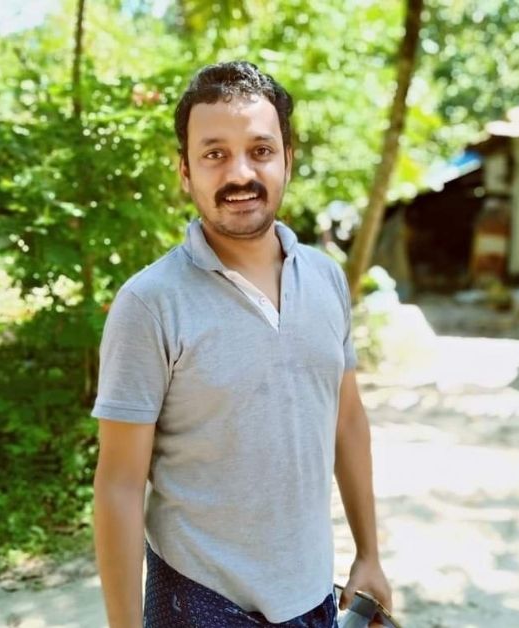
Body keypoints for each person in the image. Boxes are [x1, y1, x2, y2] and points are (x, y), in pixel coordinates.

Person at [91, 61, 391, 627]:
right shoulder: (150, 303)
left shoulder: (327, 279)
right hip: (199, 597)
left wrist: (369, 554)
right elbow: (120, 484)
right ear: (184, 170)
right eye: (214, 154)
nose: (240, 173)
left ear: (287, 160)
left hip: (311, 593)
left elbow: (347, 421)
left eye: (260, 150)